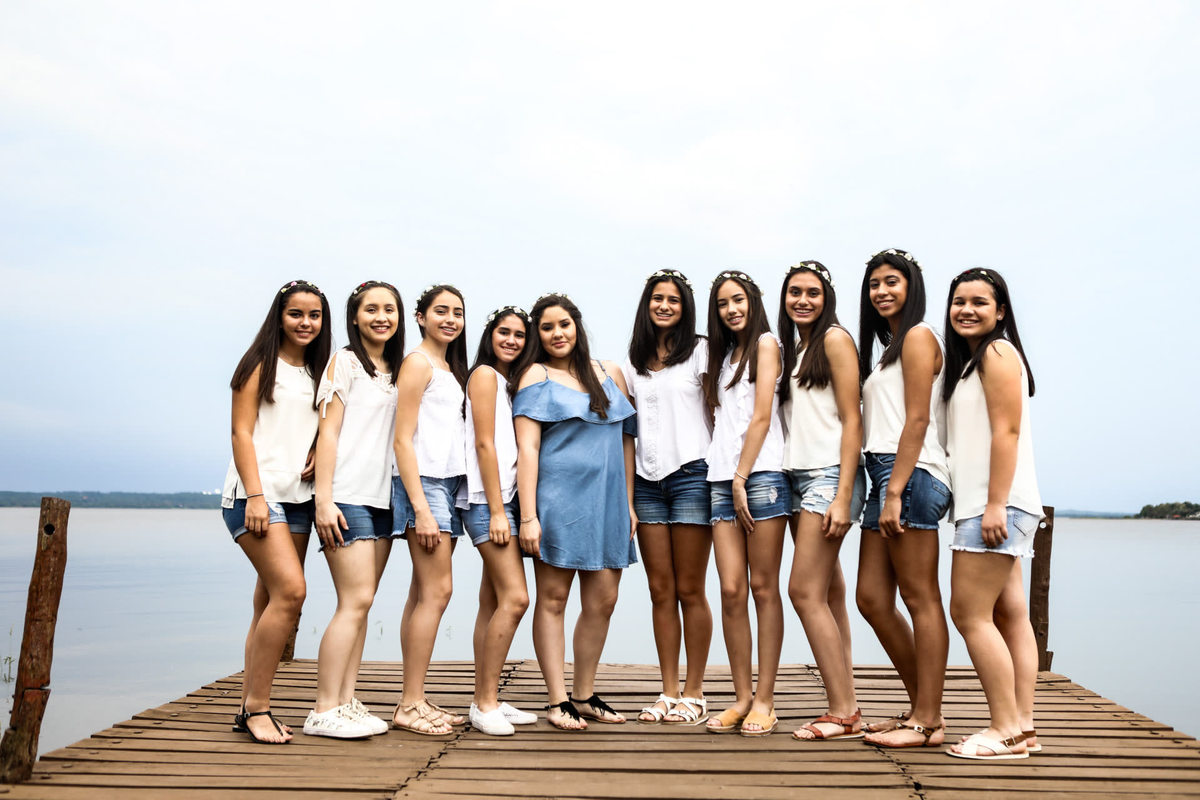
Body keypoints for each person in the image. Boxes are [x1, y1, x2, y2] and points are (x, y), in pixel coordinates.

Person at [513, 293, 638, 731]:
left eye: (563, 324)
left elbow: (626, 441)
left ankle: (584, 694)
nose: (557, 334)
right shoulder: (536, 374)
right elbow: (528, 448)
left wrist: (628, 502)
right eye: (546, 328)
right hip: (557, 501)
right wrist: (529, 516)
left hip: (608, 502)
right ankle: (557, 699)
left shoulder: (611, 372)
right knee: (553, 599)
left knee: (604, 599)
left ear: (577, 326)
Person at [222, 279, 331, 744]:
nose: (306, 323)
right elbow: (241, 433)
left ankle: (247, 704)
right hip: (255, 497)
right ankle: (257, 708)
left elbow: (321, 425)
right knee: (291, 592)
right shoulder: (259, 365)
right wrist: (255, 495)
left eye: (314, 315)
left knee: (267, 600)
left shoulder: (320, 371)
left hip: (299, 498)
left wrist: (318, 446)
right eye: (296, 314)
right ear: (279, 317)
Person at [942, 268, 1042, 760]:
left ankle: (1004, 730)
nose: (966, 309)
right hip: (997, 504)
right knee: (1009, 613)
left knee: (969, 613)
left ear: (1000, 311)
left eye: (979, 302)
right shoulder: (973, 362)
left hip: (994, 505)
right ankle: (1023, 725)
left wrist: (995, 504)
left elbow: (1007, 433)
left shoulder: (998, 352)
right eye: (959, 301)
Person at [855, 248, 951, 749]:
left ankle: (928, 721)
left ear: (912, 286)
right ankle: (921, 708)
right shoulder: (891, 347)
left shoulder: (918, 336)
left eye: (892, 281)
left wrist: (894, 490)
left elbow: (918, 419)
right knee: (871, 597)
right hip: (885, 474)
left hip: (908, 473)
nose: (882, 291)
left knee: (920, 597)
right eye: (875, 284)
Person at [305, 281, 403, 739]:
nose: (381, 317)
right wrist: (323, 500)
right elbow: (328, 432)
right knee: (355, 601)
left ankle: (346, 701)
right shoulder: (343, 362)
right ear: (354, 317)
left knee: (363, 604)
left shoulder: (395, 370)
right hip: (346, 495)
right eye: (371, 309)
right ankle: (323, 708)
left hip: (383, 498)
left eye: (389, 309)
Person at [776, 262, 868, 742]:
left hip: (829, 477)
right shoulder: (796, 348)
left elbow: (853, 420)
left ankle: (843, 711)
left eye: (813, 292)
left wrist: (843, 495)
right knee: (829, 593)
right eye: (795, 292)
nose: (803, 300)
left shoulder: (835, 339)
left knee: (802, 591)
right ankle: (845, 695)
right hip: (797, 477)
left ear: (826, 298)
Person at [622, 270, 714, 727]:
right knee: (660, 590)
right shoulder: (633, 360)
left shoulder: (701, 350)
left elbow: (719, 410)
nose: (664, 306)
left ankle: (695, 693)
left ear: (685, 307)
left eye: (673, 300)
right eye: (657, 298)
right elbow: (627, 430)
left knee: (690, 588)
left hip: (693, 475)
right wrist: (627, 499)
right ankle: (668, 690)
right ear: (647, 305)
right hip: (647, 482)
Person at [701, 271, 790, 737]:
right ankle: (741, 697)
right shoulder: (723, 357)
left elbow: (762, 415)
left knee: (762, 588)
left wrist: (742, 475)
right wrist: (728, 477)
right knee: (731, 590)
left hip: (761, 477)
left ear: (753, 301)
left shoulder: (766, 344)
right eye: (723, 304)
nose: (732, 309)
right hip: (720, 479)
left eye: (738, 300)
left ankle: (766, 700)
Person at [390, 284, 470, 736]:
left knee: (422, 593)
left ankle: (414, 697)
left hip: (447, 483)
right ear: (420, 317)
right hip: (424, 485)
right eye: (441, 311)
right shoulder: (418, 363)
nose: (450, 319)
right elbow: (402, 439)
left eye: (457, 312)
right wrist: (421, 507)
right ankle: (409, 704)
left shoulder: (447, 367)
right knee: (438, 592)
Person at [462, 305, 539, 736]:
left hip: (503, 499)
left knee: (491, 602)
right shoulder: (485, 376)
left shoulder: (508, 382)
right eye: (503, 332)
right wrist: (496, 510)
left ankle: (484, 695)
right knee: (516, 598)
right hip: (487, 502)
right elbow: (484, 444)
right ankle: (485, 703)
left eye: (519, 335)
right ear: (490, 335)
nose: (511, 340)